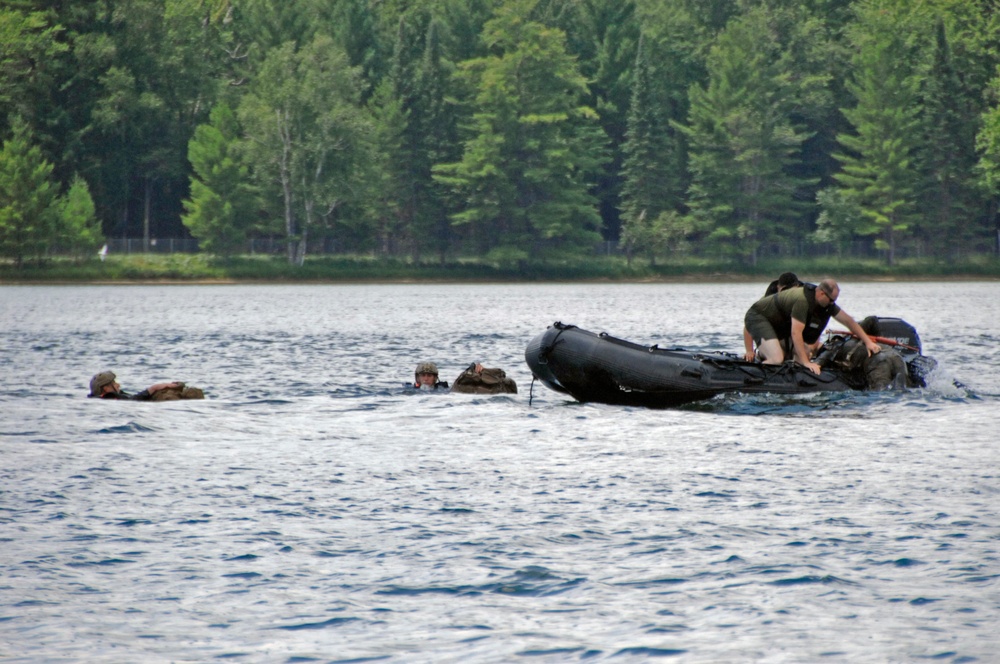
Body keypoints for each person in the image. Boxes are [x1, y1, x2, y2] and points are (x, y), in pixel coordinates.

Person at [743, 278, 880, 374]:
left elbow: (849, 321)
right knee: (777, 358)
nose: (833, 303)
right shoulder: (803, 301)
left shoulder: (826, 303)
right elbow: (796, 333)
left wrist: (868, 342)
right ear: (821, 293)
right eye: (831, 300)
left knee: (805, 351)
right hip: (758, 317)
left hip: (779, 326)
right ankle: (751, 374)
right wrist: (806, 363)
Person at [88, 370, 187, 400]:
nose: (118, 385)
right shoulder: (110, 397)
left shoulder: (110, 397)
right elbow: (133, 400)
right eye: (114, 383)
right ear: (106, 389)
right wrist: (153, 388)